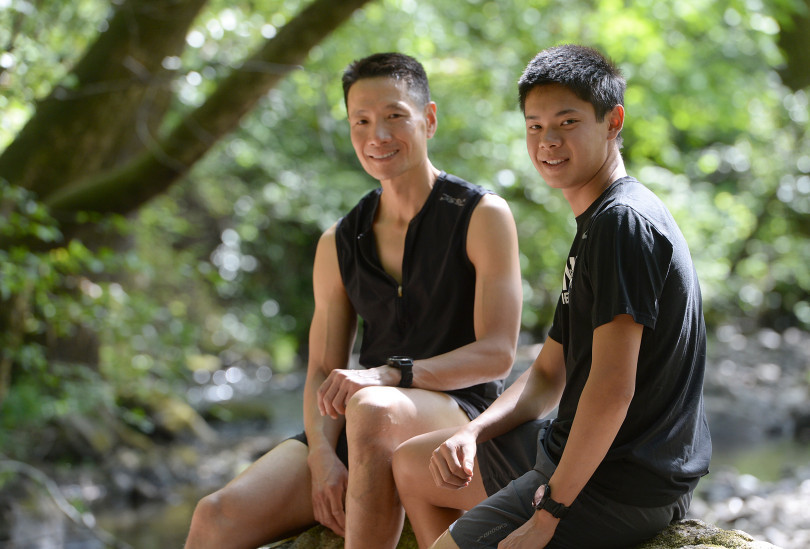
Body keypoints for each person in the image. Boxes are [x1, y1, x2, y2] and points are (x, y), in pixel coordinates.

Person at [183, 52, 523, 549]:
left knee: (372, 406)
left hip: (458, 413)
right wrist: (322, 456)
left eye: (394, 116)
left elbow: (498, 354)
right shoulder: (339, 240)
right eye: (360, 121)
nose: (376, 135)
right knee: (215, 517)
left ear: (428, 119)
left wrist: (390, 375)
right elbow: (323, 369)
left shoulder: (481, 215)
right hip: (364, 420)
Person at [393, 44, 712, 549]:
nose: (548, 141)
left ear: (612, 122)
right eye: (535, 126)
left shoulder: (622, 224)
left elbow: (611, 390)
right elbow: (547, 374)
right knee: (412, 463)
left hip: (620, 483)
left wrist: (549, 515)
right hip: (569, 447)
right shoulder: (597, 222)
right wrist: (472, 433)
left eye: (567, 123)